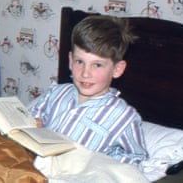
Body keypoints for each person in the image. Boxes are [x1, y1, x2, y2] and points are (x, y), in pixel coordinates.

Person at [29, 14, 148, 165]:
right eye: (80, 62)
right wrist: (34, 123)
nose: (85, 73)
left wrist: (103, 166)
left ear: (117, 69)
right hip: (34, 167)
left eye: (97, 65)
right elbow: (35, 116)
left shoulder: (124, 117)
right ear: (71, 61)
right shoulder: (57, 92)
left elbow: (136, 158)